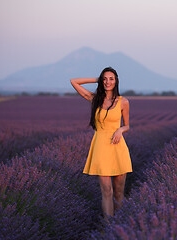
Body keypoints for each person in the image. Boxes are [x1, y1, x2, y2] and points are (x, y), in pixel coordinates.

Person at [70, 66, 132, 219]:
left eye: (111, 78)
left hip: (118, 147)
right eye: (105, 79)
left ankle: (119, 226)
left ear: (116, 81)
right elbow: (74, 82)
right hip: (101, 147)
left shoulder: (123, 102)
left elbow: (127, 125)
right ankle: (108, 227)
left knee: (118, 192)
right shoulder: (94, 99)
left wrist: (120, 130)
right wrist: (97, 79)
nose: (108, 82)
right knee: (106, 192)